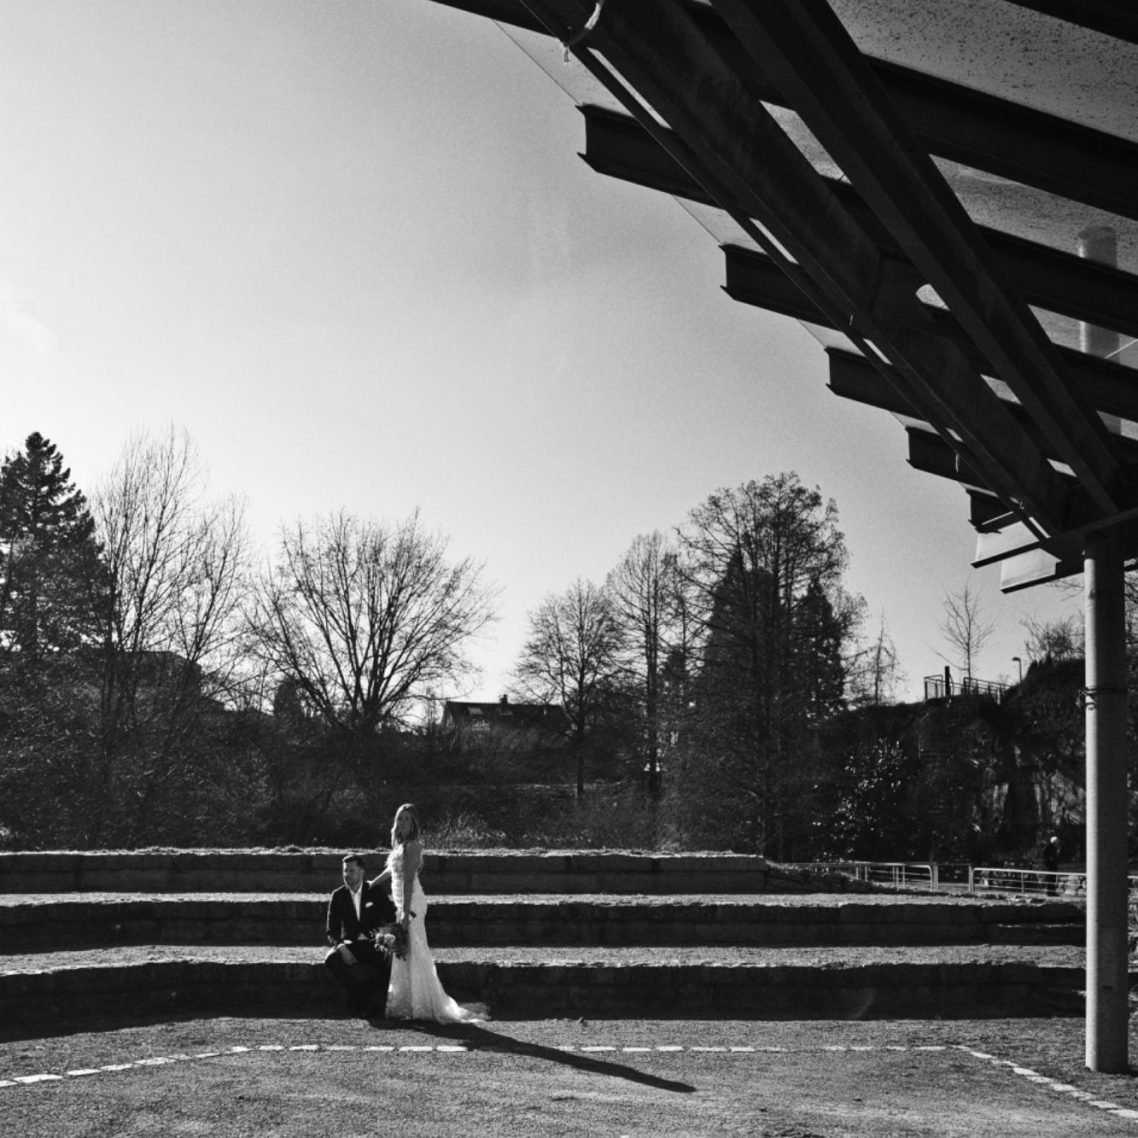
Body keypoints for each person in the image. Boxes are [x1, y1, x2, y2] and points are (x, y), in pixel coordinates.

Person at [371, 803, 486, 1023]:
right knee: (405, 952)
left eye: (406, 819)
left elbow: (408, 879)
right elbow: (392, 870)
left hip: (411, 902)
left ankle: (423, 1004)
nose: (402, 823)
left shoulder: (413, 846)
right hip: (401, 902)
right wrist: (373, 883)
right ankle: (405, 1002)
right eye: (399, 819)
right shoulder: (399, 844)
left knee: (416, 950)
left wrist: (405, 913)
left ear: (413, 822)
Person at [323, 853, 397, 1017]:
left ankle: (363, 998)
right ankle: (364, 1001)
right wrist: (342, 948)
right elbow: (332, 929)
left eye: (351, 871)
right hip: (352, 945)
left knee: (396, 959)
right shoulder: (338, 895)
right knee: (331, 959)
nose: (347, 875)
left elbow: (392, 916)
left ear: (362, 872)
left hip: (375, 944)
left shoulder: (376, 891)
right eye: (345, 871)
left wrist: (386, 934)